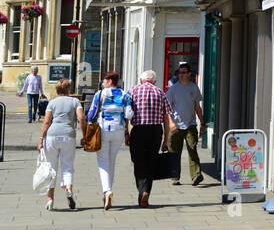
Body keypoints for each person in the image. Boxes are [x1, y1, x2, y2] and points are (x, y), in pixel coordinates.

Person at [127, 70, 175, 208]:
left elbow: (126, 113)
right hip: (155, 130)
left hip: (138, 130)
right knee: (151, 161)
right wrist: (166, 139)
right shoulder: (160, 92)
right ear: (154, 81)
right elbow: (166, 117)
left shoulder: (132, 91)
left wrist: (126, 132)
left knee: (138, 161)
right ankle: (146, 190)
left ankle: (142, 190)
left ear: (141, 80)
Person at [85, 72, 133, 211]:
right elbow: (129, 114)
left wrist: (89, 125)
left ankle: (107, 191)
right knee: (111, 161)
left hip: (103, 130)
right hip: (118, 131)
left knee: (103, 162)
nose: (102, 82)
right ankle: (108, 191)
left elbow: (92, 113)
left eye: (104, 80)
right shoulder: (124, 95)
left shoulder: (99, 94)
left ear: (110, 80)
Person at [38, 79, 86, 211]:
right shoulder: (75, 102)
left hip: (52, 136)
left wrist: (41, 139)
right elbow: (81, 118)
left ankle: (50, 199)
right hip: (68, 135)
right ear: (68, 89)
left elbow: (46, 122)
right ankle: (69, 190)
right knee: (68, 166)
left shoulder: (52, 103)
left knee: (51, 168)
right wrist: (84, 135)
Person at [166, 62, 206, 187]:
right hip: (176, 125)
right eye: (179, 73)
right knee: (174, 151)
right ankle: (175, 177)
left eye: (184, 72)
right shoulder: (173, 89)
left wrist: (202, 123)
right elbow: (167, 109)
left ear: (189, 74)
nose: (181, 75)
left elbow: (197, 107)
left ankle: (196, 175)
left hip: (190, 124)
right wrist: (171, 123)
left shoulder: (193, 88)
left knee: (192, 149)